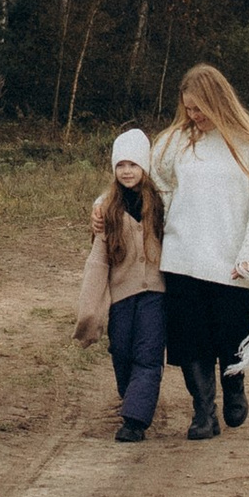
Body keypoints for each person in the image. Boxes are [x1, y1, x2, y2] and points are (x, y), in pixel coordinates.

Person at [148, 63, 249, 442]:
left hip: (230, 260)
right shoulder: (175, 143)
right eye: (188, 109)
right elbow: (152, 182)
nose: (193, 116)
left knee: (231, 336)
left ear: (218, 102)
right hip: (182, 257)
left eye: (199, 108)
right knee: (190, 340)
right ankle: (203, 413)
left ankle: (235, 387)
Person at [75, 125, 167, 441]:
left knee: (148, 353)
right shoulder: (108, 208)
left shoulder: (161, 203)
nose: (127, 171)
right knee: (122, 352)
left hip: (156, 293)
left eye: (134, 164)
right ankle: (132, 399)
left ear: (145, 166)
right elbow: (98, 258)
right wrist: (90, 307)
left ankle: (134, 421)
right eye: (121, 165)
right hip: (121, 295)